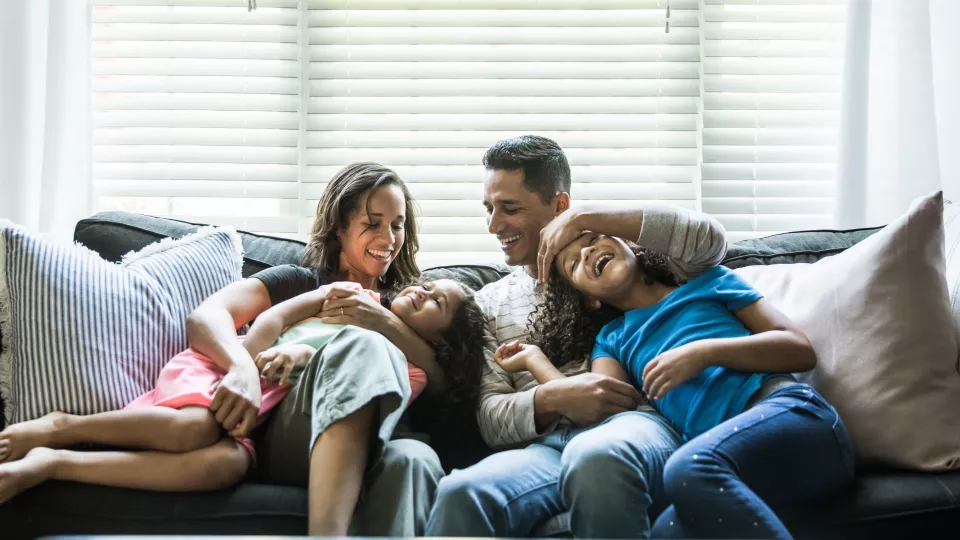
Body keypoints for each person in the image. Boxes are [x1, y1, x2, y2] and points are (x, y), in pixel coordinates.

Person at [425, 135, 729, 538]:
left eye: (509, 208)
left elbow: (709, 240)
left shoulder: (611, 261)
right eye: (489, 209)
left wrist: (587, 220)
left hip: (636, 427)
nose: (494, 225)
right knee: (461, 491)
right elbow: (490, 416)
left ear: (559, 205)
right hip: (549, 449)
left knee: (597, 457)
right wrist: (554, 398)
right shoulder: (488, 305)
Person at [0, 277, 485, 524]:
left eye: (398, 224)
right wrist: (257, 360)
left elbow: (439, 383)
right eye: (370, 220)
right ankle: (63, 426)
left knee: (224, 466)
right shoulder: (345, 293)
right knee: (195, 428)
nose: (387, 236)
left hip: (259, 423)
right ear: (337, 222)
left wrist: (385, 330)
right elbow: (266, 323)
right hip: (231, 381)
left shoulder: (407, 361)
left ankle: (55, 462)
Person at [505, 231, 855, 538]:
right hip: (739, 467)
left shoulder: (707, 282)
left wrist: (704, 352)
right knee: (665, 532)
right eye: (574, 263)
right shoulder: (612, 339)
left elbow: (799, 350)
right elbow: (600, 405)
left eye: (594, 238)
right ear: (589, 300)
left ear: (630, 245)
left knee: (688, 469)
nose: (587, 251)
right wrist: (535, 360)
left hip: (795, 420)